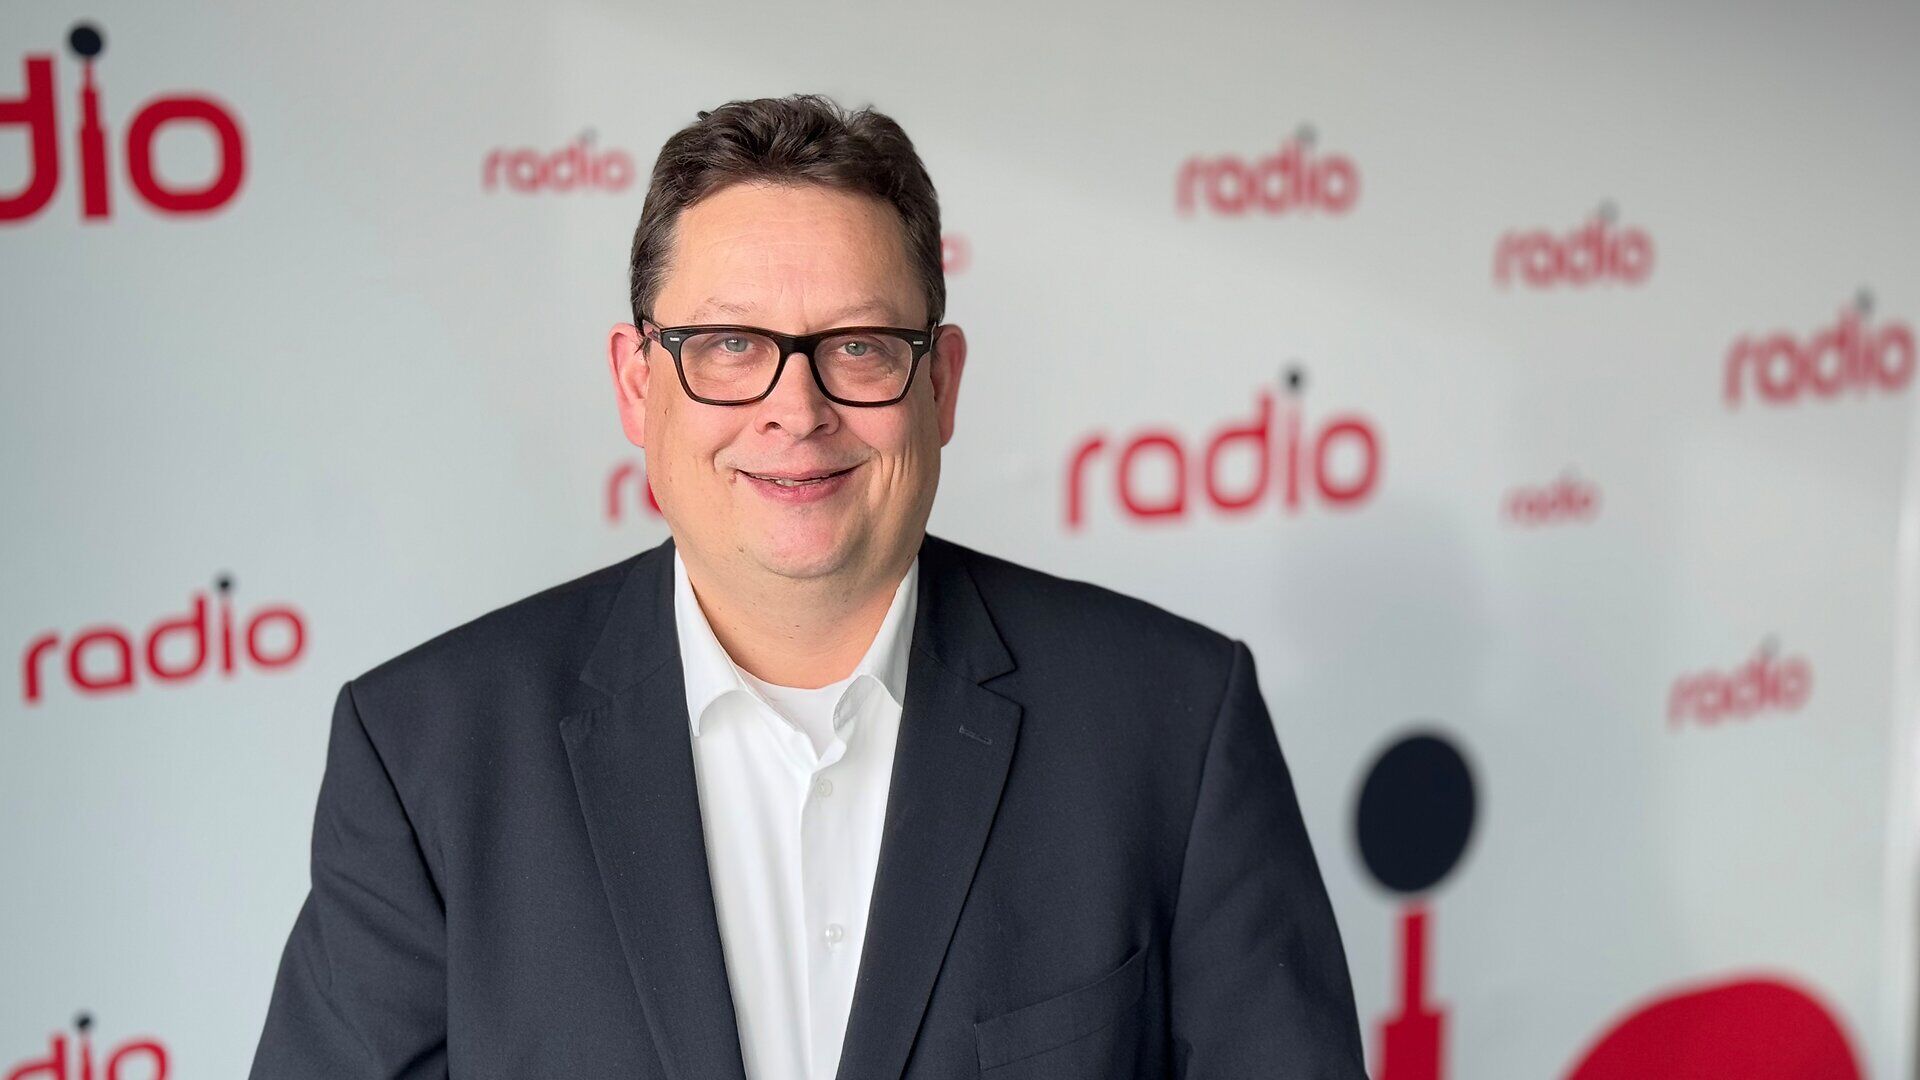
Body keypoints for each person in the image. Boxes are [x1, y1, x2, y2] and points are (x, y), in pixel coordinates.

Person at [248, 93, 1366, 1080]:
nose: (797, 410)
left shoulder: (1173, 724)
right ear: (637, 386)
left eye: (861, 346)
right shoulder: (427, 754)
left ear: (942, 386)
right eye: (730, 345)